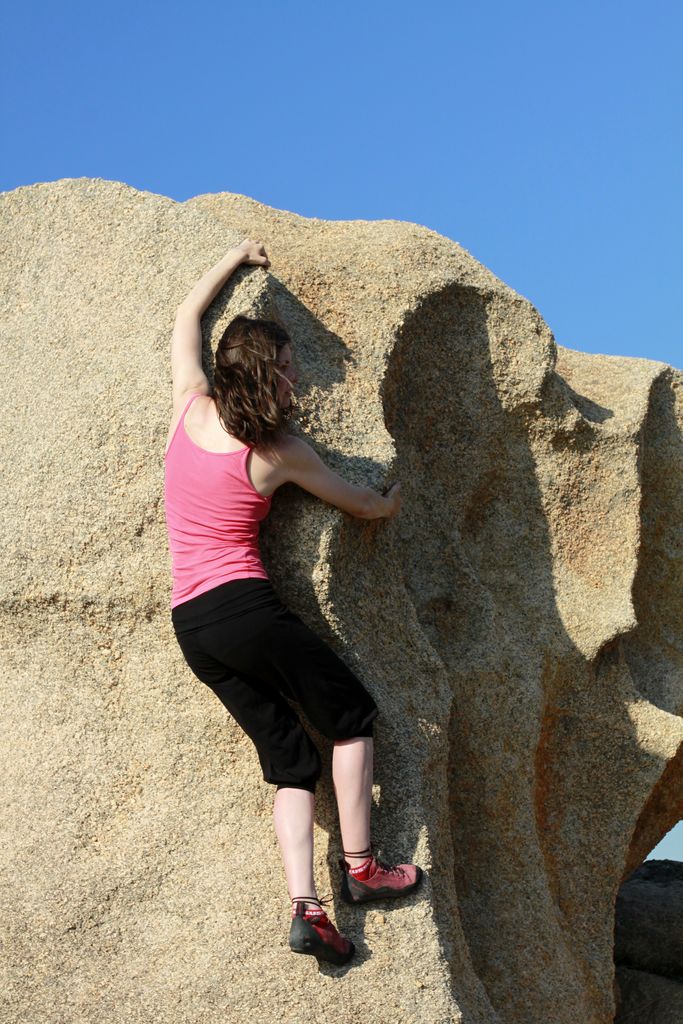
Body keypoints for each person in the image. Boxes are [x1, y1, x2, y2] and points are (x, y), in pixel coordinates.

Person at [163, 239, 424, 966]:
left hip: (192, 624)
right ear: (267, 375)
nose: (295, 376)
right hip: (244, 606)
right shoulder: (276, 450)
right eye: (287, 367)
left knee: (287, 759)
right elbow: (361, 508)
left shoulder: (190, 406)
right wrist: (388, 499)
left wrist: (229, 257)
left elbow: (186, 316)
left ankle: (307, 909)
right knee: (349, 717)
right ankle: (365, 867)